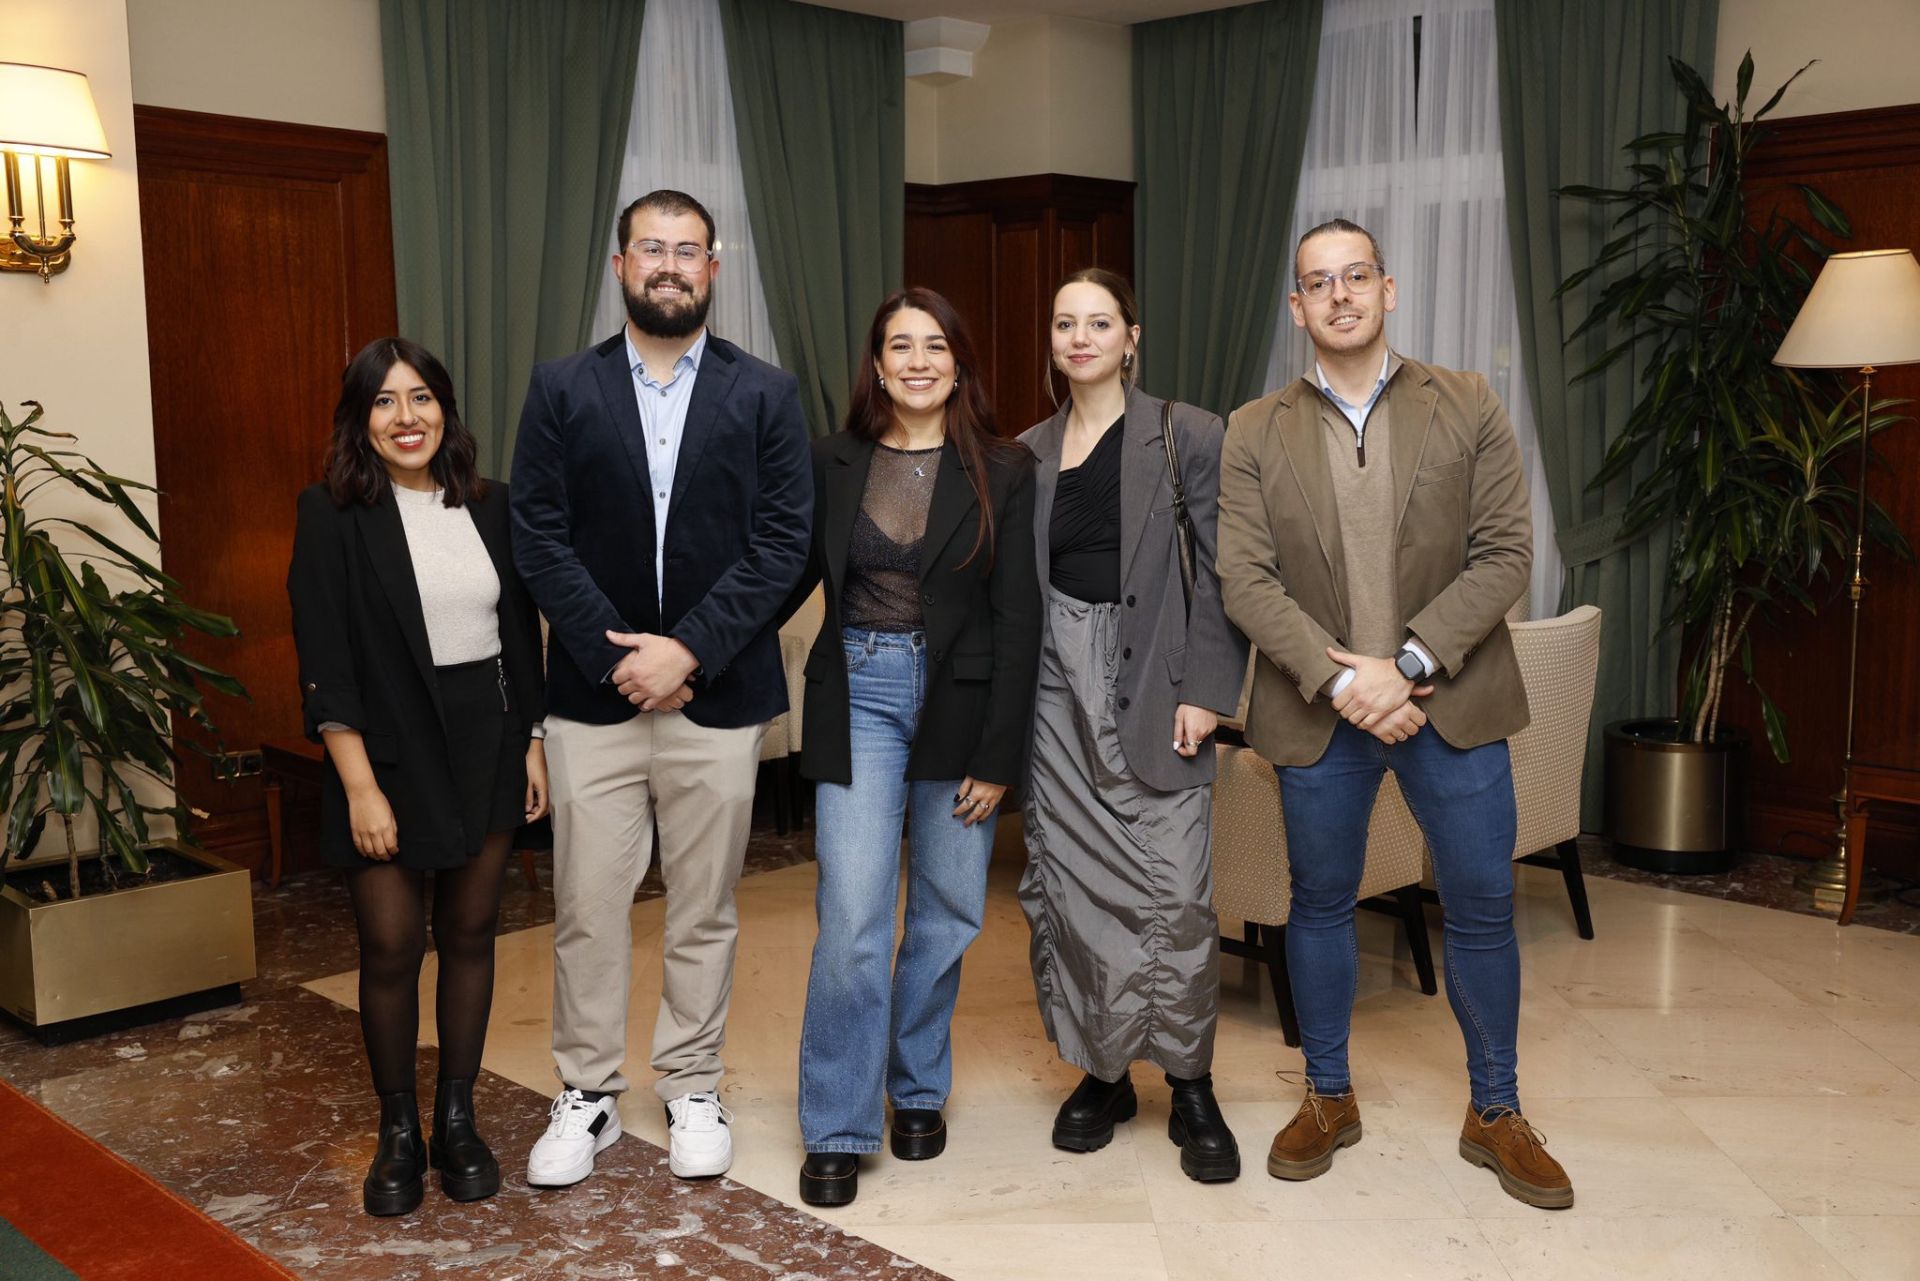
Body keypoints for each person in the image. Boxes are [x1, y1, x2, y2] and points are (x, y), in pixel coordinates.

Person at [1216, 218, 1572, 1209]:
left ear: (1389, 289)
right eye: (1318, 283)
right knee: (1320, 905)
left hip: (1449, 704)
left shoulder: (1466, 402)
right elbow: (1245, 580)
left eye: (1356, 276)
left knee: (1484, 908)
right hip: (1320, 715)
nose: (1339, 295)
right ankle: (1328, 1097)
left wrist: (1406, 664)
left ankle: (1495, 1110)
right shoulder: (1254, 429)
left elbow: (1506, 552)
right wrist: (1343, 684)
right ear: (1297, 308)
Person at [510, 189, 812, 1187]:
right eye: (653, 249)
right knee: (590, 906)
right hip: (593, 702)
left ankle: (691, 1083)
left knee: (706, 907)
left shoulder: (766, 392)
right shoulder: (560, 388)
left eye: (689, 250)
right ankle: (587, 1096)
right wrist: (619, 659)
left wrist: (688, 652)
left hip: (716, 701)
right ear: (620, 265)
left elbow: (782, 547)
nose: (670, 265)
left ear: (714, 269)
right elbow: (538, 538)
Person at [783, 287, 1041, 1208]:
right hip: (856, 689)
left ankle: (918, 1086)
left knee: (948, 908)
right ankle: (840, 1122)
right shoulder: (831, 460)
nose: (919, 361)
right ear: (878, 364)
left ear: (959, 363)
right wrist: (696, 646)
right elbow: (782, 573)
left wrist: (999, 755)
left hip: (962, 706)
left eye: (936, 345)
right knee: (853, 914)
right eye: (901, 346)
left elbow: (1019, 618)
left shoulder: (1004, 469)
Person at [287, 337, 549, 1217]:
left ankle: (458, 1117)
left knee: (473, 934)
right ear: (360, 420)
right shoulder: (331, 514)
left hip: (487, 740)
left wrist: (533, 743)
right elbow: (325, 659)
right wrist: (359, 784)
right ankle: (397, 1128)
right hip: (385, 750)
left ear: (447, 408)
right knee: (394, 945)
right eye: (386, 402)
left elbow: (518, 633)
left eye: (423, 398)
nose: (409, 418)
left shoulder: (491, 505)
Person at [1016, 268, 1249, 1182]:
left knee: (1177, 896)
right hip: (1051, 694)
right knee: (1072, 898)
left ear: (1132, 336)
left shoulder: (1186, 432)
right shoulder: (1026, 450)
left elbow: (1227, 572)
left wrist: (1206, 688)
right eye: (1065, 322)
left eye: (1099, 322)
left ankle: (1191, 1081)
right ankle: (1104, 1072)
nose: (1081, 337)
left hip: (1156, 682)